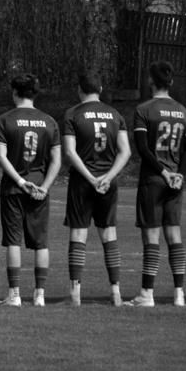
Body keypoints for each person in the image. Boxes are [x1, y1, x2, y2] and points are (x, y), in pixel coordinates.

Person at [130, 61, 186, 307]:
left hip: (153, 180)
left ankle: (147, 293)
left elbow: (142, 147)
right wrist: (179, 173)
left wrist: (163, 172)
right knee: (174, 233)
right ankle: (179, 293)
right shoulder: (183, 111)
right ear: (170, 83)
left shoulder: (144, 109)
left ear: (151, 81)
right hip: (175, 181)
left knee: (152, 237)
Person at [61, 72, 132, 305]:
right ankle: (116, 292)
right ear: (100, 89)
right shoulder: (115, 114)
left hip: (83, 181)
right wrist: (108, 177)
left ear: (79, 90)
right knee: (109, 235)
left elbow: (70, 152)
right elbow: (126, 152)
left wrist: (91, 178)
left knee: (78, 234)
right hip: (107, 183)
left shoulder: (73, 114)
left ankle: (75, 295)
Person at [0, 74, 62, 305]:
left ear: (14, 92)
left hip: (14, 188)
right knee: (40, 242)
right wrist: (44, 186)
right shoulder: (49, 121)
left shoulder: (5, 119)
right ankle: (39, 295)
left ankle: (14, 295)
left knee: (14, 241)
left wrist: (21, 182)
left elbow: (1, 157)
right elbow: (56, 161)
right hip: (40, 189)